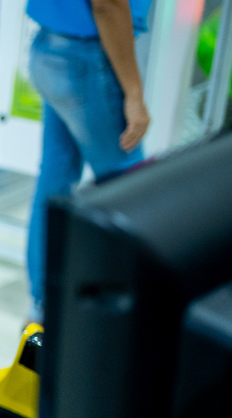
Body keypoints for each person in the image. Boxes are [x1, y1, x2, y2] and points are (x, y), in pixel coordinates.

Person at [25, 0, 152, 319]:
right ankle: (130, 313)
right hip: (87, 58)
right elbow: (107, 4)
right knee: (129, 190)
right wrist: (134, 94)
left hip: (50, 47)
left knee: (55, 180)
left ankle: (43, 308)